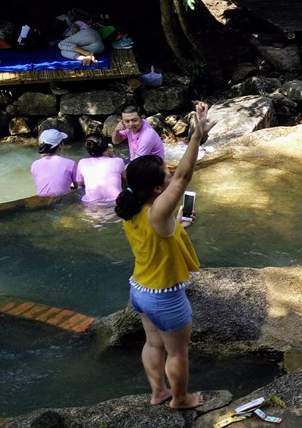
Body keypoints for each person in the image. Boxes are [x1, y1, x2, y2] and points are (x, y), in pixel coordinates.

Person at [114, 101, 214, 410]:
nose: (171, 177)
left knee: (153, 343)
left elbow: (157, 237)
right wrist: (195, 137)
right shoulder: (158, 212)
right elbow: (185, 177)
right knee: (178, 352)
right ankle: (181, 399)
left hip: (140, 290)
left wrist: (179, 225)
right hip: (165, 296)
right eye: (165, 176)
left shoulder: (131, 209)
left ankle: (158, 393)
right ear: (158, 189)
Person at [75, 133, 126, 204]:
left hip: (92, 204)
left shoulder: (82, 162)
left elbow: (80, 183)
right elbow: (124, 178)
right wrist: (111, 156)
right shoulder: (118, 160)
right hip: (116, 201)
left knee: (81, 187)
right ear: (107, 147)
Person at [30, 128, 76, 197]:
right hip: (64, 202)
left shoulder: (34, 165)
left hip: (43, 202)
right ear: (60, 146)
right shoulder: (71, 164)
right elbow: (76, 187)